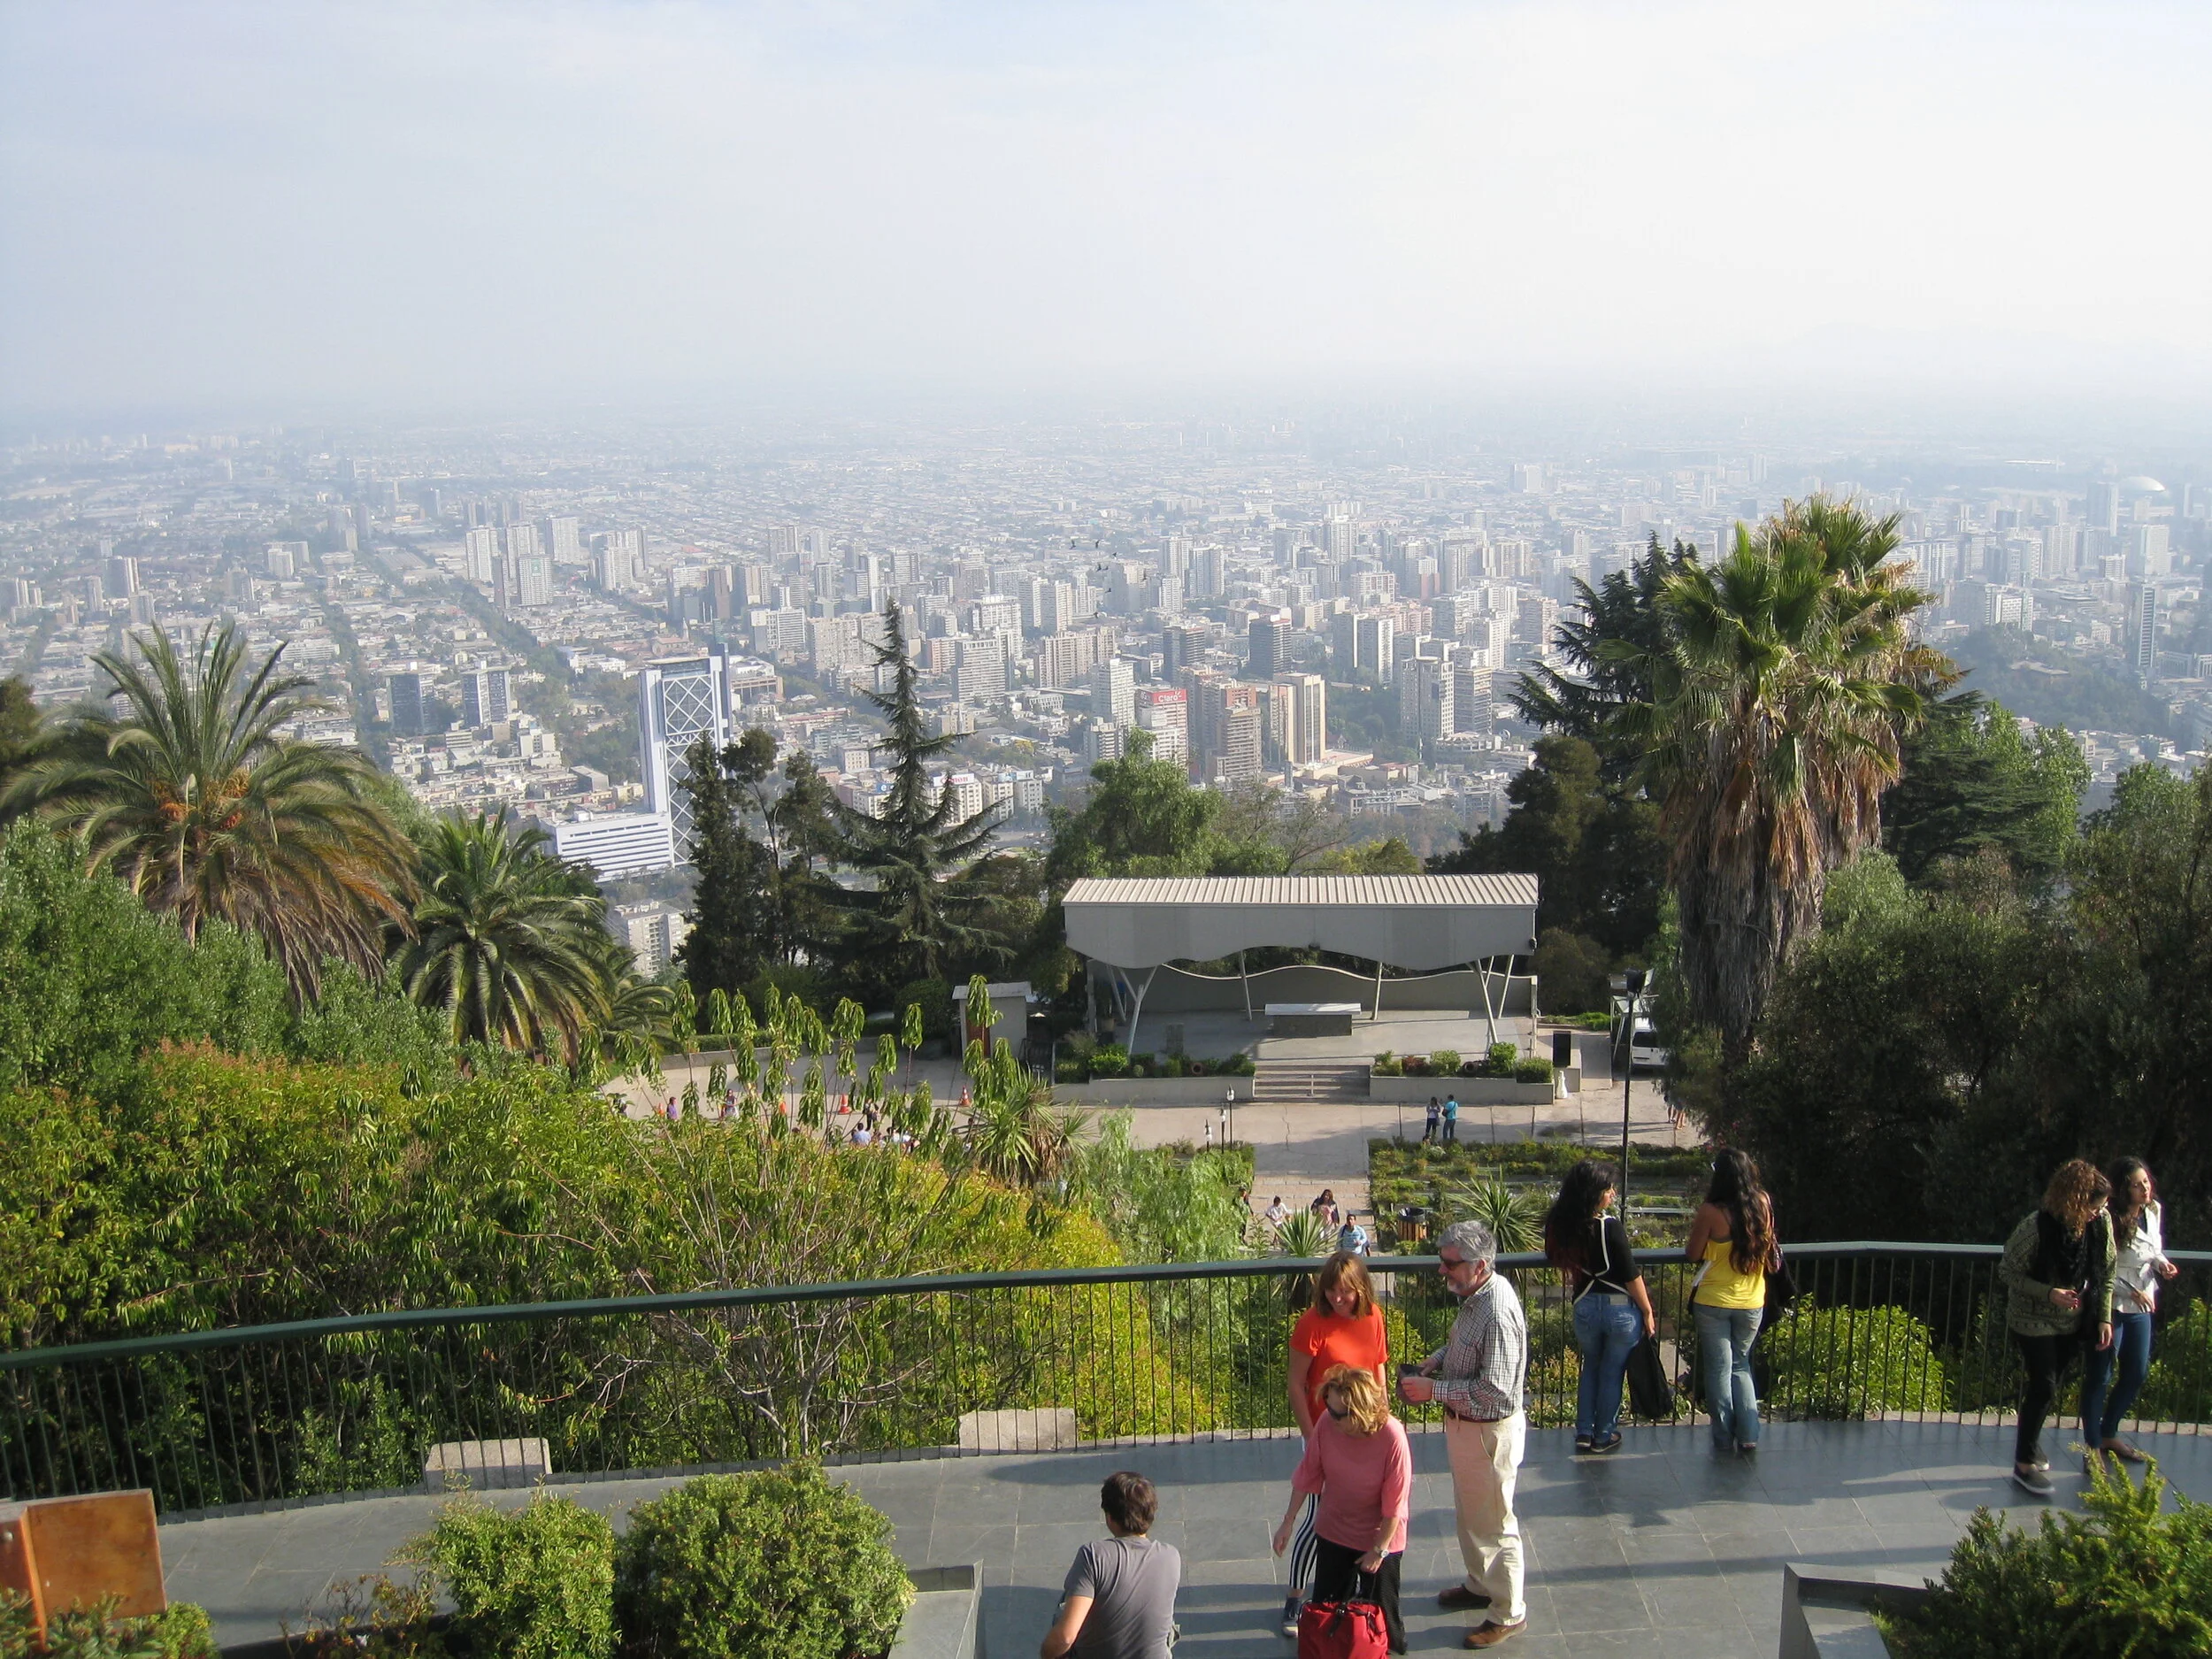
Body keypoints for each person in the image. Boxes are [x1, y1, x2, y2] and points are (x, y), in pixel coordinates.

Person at [1399, 1219, 1529, 1649]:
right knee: (1472, 1515)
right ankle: (1479, 1584)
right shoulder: (1477, 1297)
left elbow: (1495, 1390)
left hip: (1487, 1433)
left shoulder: (1497, 1309)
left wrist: (1433, 1390)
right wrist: (1436, 1361)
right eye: (1443, 1261)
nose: (1442, 1271)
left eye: (1450, 1263)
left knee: (1494, 1523)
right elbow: (1464, 1347)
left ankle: (1508, 1612)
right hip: (1467, 1429)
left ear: (1480, 1264)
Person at [1281, 1252, 1390, 1635]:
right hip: (1324, 1432)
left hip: (1365, 1432)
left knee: (1368, 1510)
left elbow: (1378, 1371)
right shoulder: (1312, 1323)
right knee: (1318, 1516)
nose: (1337, 1298)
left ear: (1360, 1289)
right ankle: (1296, 1596)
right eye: (1331, 1290)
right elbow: (1296, 1384)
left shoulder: (1373, 1317)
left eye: (1345, 1291)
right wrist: (1313, 1438)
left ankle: (1357, 1591)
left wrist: (1384, 1419)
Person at [1273, 1365, 1412, 1655]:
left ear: (1361, 1411)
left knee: (1382, 1618)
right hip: (1335, 1529)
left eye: (1340, 1414)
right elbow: (1308, 1474)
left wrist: (1379, 1550)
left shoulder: (1392, 1437)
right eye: (1329, 1408)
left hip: (1379, 1537)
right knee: (1327, 1613)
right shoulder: (1326, 1423)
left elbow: (1394, 1505)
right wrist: (1288, 1522)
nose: (1331, 1417)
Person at [2000, 1158, 2115, 1497]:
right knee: (2044, 1385)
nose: (2098, 1213)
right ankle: (2023, 1464)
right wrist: (2049, 1292)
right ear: (2075, 1202)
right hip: (2031, 1316)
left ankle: (2031, 1444)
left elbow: (2107, 1272)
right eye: (2094, 1207)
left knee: (2051, 1383)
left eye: (2102, 1207)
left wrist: (2104, 1316)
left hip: (2072, 1320)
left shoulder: (2100, 1223)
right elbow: (2008, 1271)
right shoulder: (2035, 1227)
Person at [1544, 1158, 1655, 1455]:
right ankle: (1603, 1434)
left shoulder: (1561, 1225)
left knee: (1591, 1365)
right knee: (1612, 1370)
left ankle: (1583, 1431)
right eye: (1608, 1189)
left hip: (1585, 1306)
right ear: (1594, 1193)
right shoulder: (1610, 1227)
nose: (1613, 1194)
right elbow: (1632, 1275)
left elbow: (1552, 1255)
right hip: (1619, 1308)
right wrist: (1646, 1310)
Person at [2082, 1157, 2178, 1468]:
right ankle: (2093, 1443)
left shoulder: (2153, 1211)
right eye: (2137, 1185)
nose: (2144, 1189)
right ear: (2124, 1189)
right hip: (2112, 1304)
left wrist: (2161, 1264)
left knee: (2136, 1371)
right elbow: (2101, 1266)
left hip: (2142, 1303)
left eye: (2146, 1182)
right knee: (2101, 1374)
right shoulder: (2107, 1218)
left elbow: (2153, 1248)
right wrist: (2127, 1290)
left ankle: (2109, 1431)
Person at [1685, 1149, 1774, 1457]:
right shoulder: (1762, 1203)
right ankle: (1749, 1434)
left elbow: (1693, 1253)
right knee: (1741, 1365)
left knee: (1719, 1369)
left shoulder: (1711, 1211)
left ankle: (1723, 1436)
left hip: (1713, 1301)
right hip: (1751, 1300)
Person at [1041, 1471, 1180, 1659]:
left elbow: (1066, 1637)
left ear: (1109, 1517)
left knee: (1064, 1607)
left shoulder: (1093, 1556)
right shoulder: (1171, 1556)